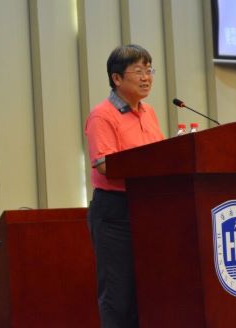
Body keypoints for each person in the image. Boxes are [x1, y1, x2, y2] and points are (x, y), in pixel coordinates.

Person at [85, 44, 164, 327]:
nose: (146, 78)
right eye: (138, 71)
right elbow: (105, 165)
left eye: (149, 70)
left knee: (148, 291)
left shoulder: (149, 112)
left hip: (148, 210)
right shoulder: (102, 115)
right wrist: (149, 167)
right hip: (115, 213)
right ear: (116, 78)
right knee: (118, 296)